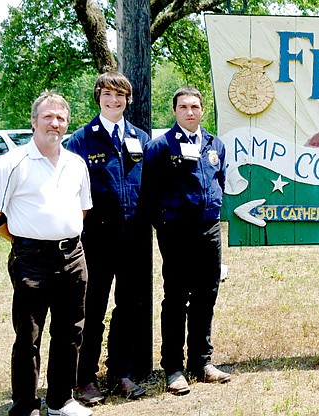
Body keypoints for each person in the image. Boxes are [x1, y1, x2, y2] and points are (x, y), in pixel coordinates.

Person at [0, 92, 93, 416]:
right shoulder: (13, 162)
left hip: (73, 257)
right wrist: (24, 240)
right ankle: (25, 406)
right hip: (31, 260)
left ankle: (60, 401)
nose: (55, 123)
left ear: (67, 124)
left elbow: (83, 210)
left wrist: (59, 235)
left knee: (70, 332)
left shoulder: (76, 163)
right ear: (34, 122)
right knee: (28, 336)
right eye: (48, 117)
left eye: (61, 118)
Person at [65, 71, 152, 404]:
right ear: (98, 98)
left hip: (134, 239)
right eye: (107, 95)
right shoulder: (80, 140)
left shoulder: (140, 138)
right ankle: (85, 378)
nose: (114, 101)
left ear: (128, 100)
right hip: (96, 240)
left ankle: (121, 373)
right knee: (93, 308)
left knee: (129, 307)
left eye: (120, 96)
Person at [141, 86, 229, 395]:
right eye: (183, 107)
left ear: (202, 110)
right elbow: (147, 192)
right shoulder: (161, 146)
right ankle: (174, 367)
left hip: (209, 230)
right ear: (175, 112)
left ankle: (201, 363)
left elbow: (220, 182)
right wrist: (164, 223)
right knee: (176, 297)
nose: (189, 112)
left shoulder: (214, 144)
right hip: (176, 231)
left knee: (207, 295)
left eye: (194, 106)